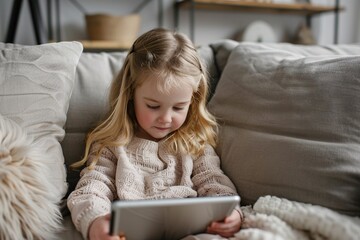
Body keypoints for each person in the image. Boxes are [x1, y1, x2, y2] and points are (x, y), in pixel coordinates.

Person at [68, 28, 243, 240]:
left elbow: (214, 183)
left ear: (193, 101)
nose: (166, 118)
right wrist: (95, 222)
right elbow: (92, 188)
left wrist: (231, 214)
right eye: (153, 106)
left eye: (178, 107)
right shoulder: (112, 143)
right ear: (131, 93)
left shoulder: (195, 144)